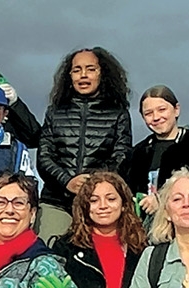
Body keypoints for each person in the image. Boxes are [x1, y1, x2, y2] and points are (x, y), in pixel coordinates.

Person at [36, 47, 132, 238]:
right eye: (77, 70)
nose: (83, 75)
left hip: (99, 203)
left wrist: (92, 184)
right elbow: (44, 158)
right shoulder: (55, 112)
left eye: (90, 69)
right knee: (50, 256)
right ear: (69, 76)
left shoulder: (118, 113)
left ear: (102, 73)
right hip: (56, 201)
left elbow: (121, 157)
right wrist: (67, 182)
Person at [48, 171, 146, 288]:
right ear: (85, 206)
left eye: (111, 199)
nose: (103, 206)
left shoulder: (141, 250)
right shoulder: (66, 249)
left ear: (124, 204)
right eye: (94, 200)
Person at [123, 85, 189, 213]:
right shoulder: (138, 153)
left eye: (162, 109)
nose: (156, 117)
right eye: (148, 113)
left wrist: (163, 201)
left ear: (176, 110)